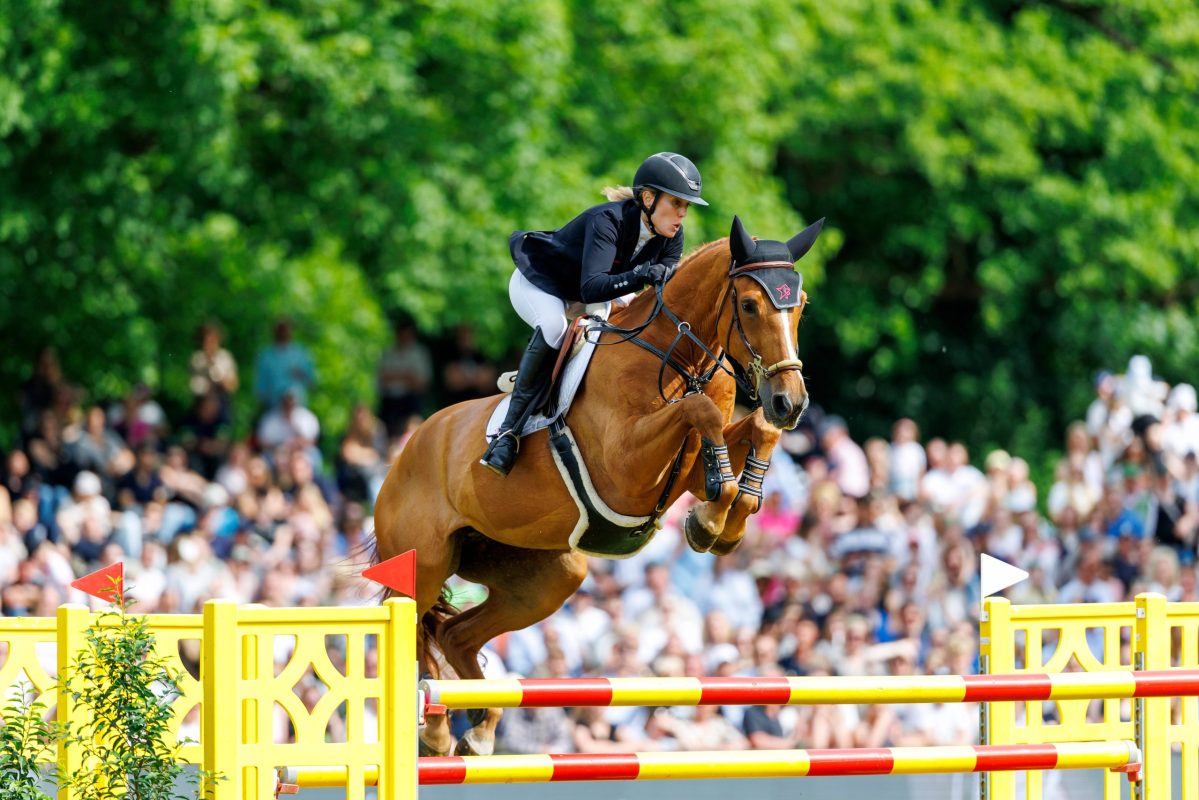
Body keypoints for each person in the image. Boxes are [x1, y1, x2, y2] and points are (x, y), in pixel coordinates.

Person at [480, 152, 708, 475]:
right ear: (648, 199)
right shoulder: (608, 221)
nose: (682, 213)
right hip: (541, 282)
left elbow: (660, 292)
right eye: (676, 203)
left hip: (592, 290)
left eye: (686, 206)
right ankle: (507, 434)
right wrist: (642, 275)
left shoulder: (672, 235)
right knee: (554, 327)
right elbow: (592, 288)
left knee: (626, 325)